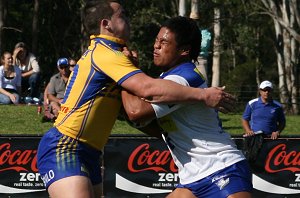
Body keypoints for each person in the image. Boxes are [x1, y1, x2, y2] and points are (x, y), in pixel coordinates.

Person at [37, 1, 236, 198]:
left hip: (88, 151)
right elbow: (147, 90)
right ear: (106, 24)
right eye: (122, 15)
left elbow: (134, 109)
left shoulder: (112, 55)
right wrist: (203, 95)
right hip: (65, 145)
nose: (128, 19)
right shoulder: (106, 53)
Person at [121, 16, 253, 198]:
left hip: (223, 170)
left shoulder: (183, 78)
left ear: (184, 50)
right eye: (157, 40)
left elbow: (136, 111)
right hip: (192, 179)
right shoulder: (168, 77)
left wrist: (123, 71)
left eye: (164, 42)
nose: (156, 46)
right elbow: (161, 129)